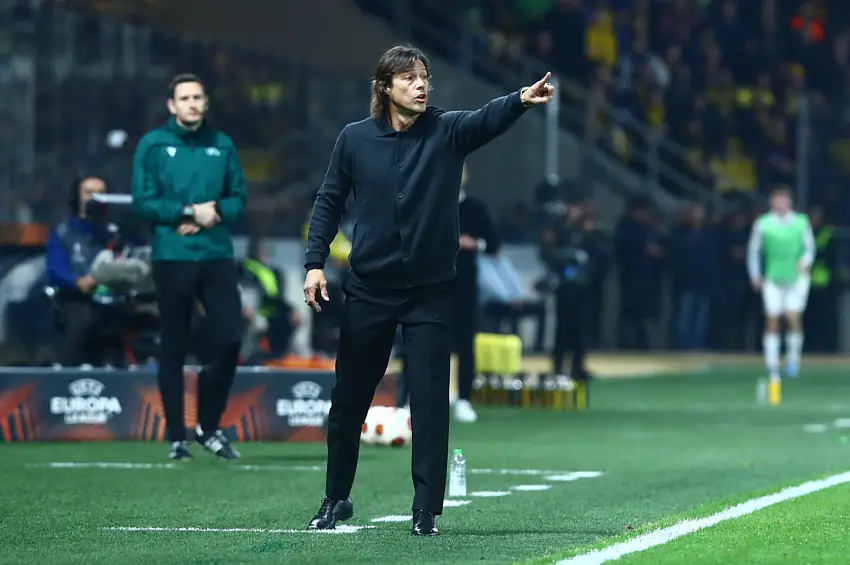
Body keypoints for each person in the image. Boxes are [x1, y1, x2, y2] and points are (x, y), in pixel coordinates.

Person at [302, 45, 554, 536]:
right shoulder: (354, 139)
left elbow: (485, 119)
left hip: (429, 293)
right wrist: (314, 263)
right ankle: (335, 498)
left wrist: (521, 99)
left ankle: (425, 510)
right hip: (369, 289)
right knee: (348, 399)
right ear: (385, 87)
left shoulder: (446, 130)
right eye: (409, 78)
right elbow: (329, 201)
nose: (420, 86)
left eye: (424, 77)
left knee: (431, 402)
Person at [130, 73, 247, 461]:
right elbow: (142, 201)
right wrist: (185, 211)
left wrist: (212, 212)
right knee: (174, 343)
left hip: (215, 253)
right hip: (172, 255)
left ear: (206, 102)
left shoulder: (222, 144)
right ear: (172, 105)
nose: (192, 103)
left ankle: (208, 427)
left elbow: (238, 199)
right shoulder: (153, 144)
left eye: (198, 97)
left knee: (230, 338)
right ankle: (176, 437)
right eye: (185, 98)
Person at [747, 186, 815, 382]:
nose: (781, 203)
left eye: (784, 199)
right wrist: (755, 274)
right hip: (773, 277)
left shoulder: (801, 222)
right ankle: (771, 363)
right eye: (777, 199)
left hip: (797, 278)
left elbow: (809, 248)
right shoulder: (763, 223)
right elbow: (754, 251)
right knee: (772, 318)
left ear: (790, 202)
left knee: (793, 317)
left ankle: (793, 359)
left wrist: (805, 262)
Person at [451, 163, 499, 423]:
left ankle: (463, 399)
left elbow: (494, 243)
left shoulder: (475, 208)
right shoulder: (430, 202)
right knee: (425, 342)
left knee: (465, 343)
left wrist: (474, 244)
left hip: (465, 286)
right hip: (431, 285)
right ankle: (417, 397)